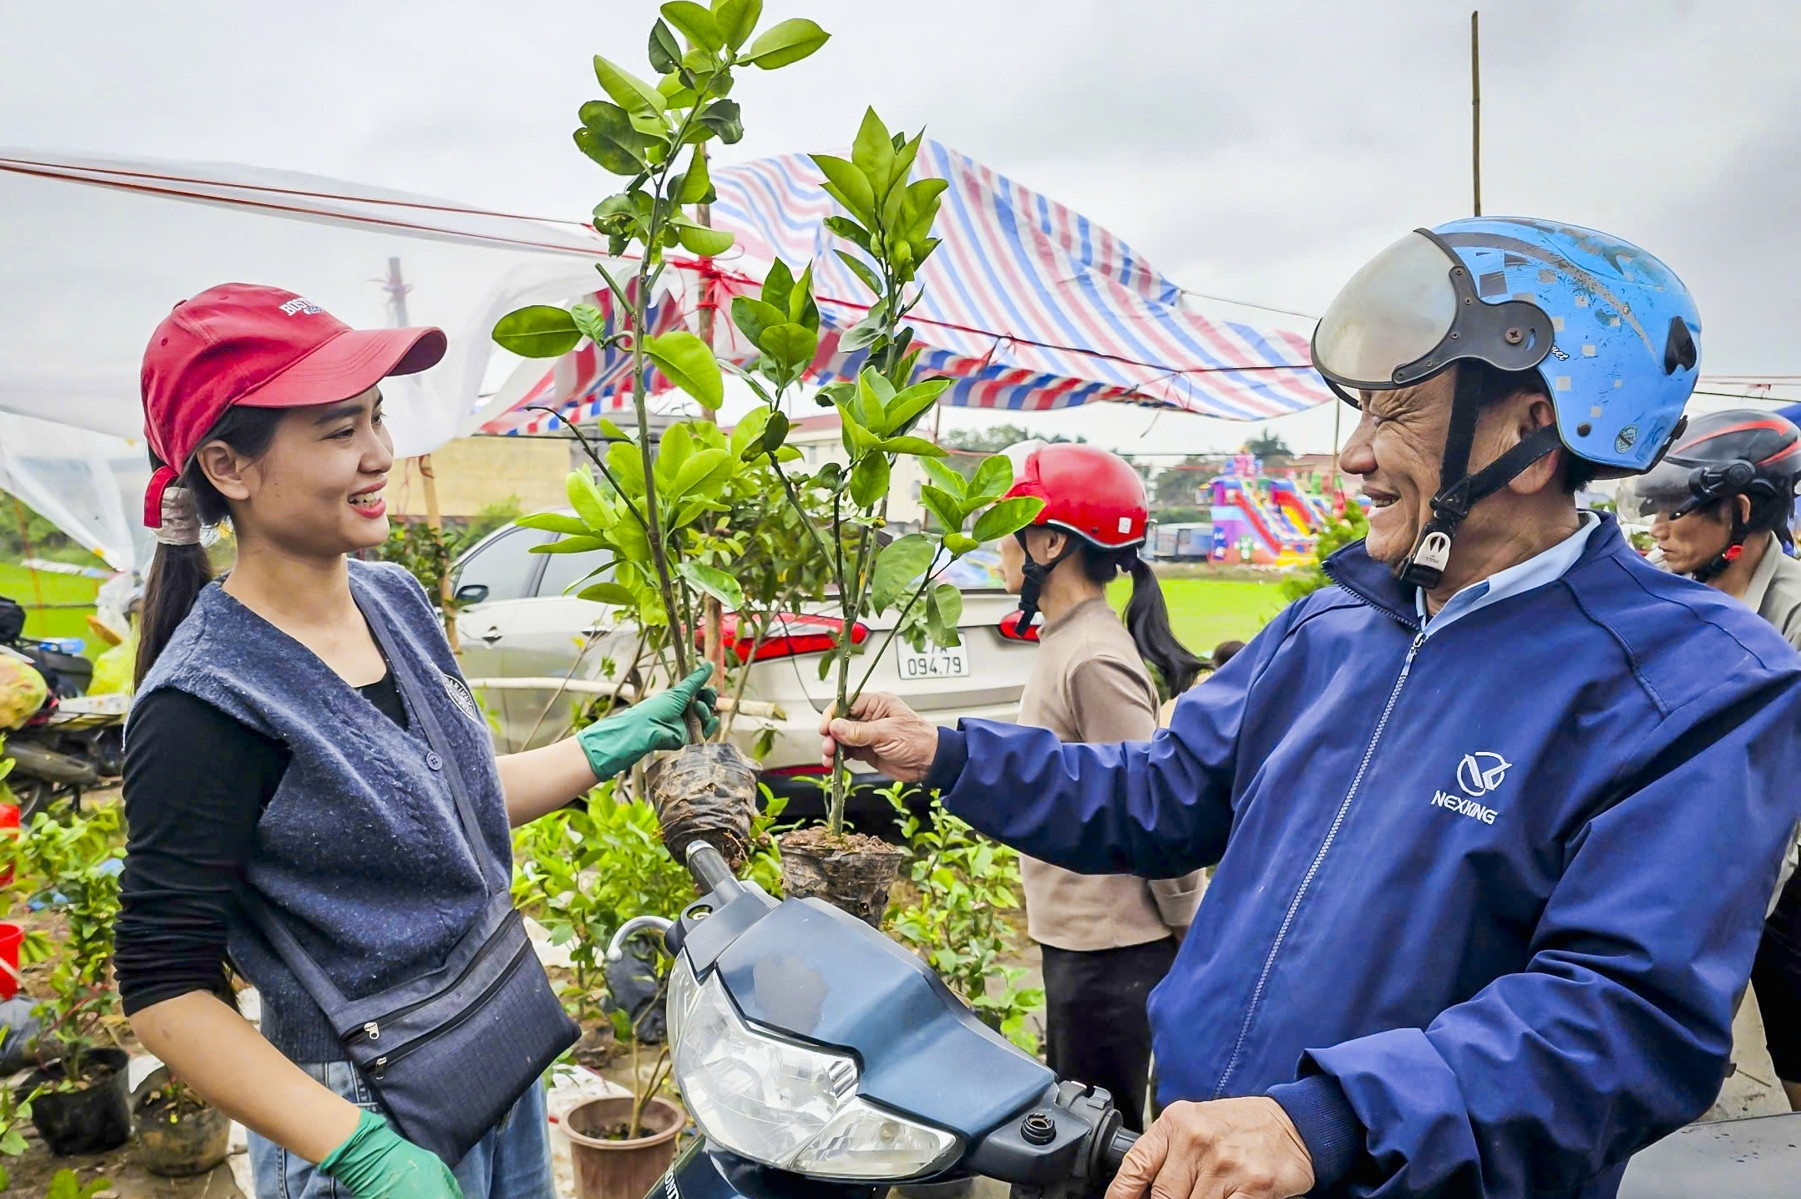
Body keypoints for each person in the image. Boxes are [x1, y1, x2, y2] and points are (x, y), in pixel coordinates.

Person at [819, 218, 1801, 1199]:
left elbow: (1624, 1016)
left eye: (1395, 411)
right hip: (1198, 1158)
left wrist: (1327, 1119)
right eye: (1358, 412)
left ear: (1530, 433)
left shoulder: (1695, 684)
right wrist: (947, 754)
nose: (1353, 456)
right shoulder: (1330, 626)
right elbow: (1159, 793)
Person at [115, 284, 717, 1199]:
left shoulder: (390, 598)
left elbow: (440, 802)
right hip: (361, 1104)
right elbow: (164, 986)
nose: (380, 453)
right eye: (338, 430)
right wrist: (358, 1148)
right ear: (229, 466)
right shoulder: (207, 701)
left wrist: (605, 745)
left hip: (489, 1052)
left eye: (377, 416)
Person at [996, 440, 1206, 1133]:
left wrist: (1189, 925)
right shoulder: (1065, 641)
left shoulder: (1091, 656)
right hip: (1082, 941)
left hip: (1112, 953)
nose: (998, 544)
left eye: (1011, 527)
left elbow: (1155, 810)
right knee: (1076, 1133)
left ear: (1049, 542)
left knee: (1093, 1145)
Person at [1625, 409, 1801, 1111]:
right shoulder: (1659, 595)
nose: (1658, 529)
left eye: (1676, 510)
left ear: (1740, 511)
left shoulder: (1792, 618)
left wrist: (1730, 909)